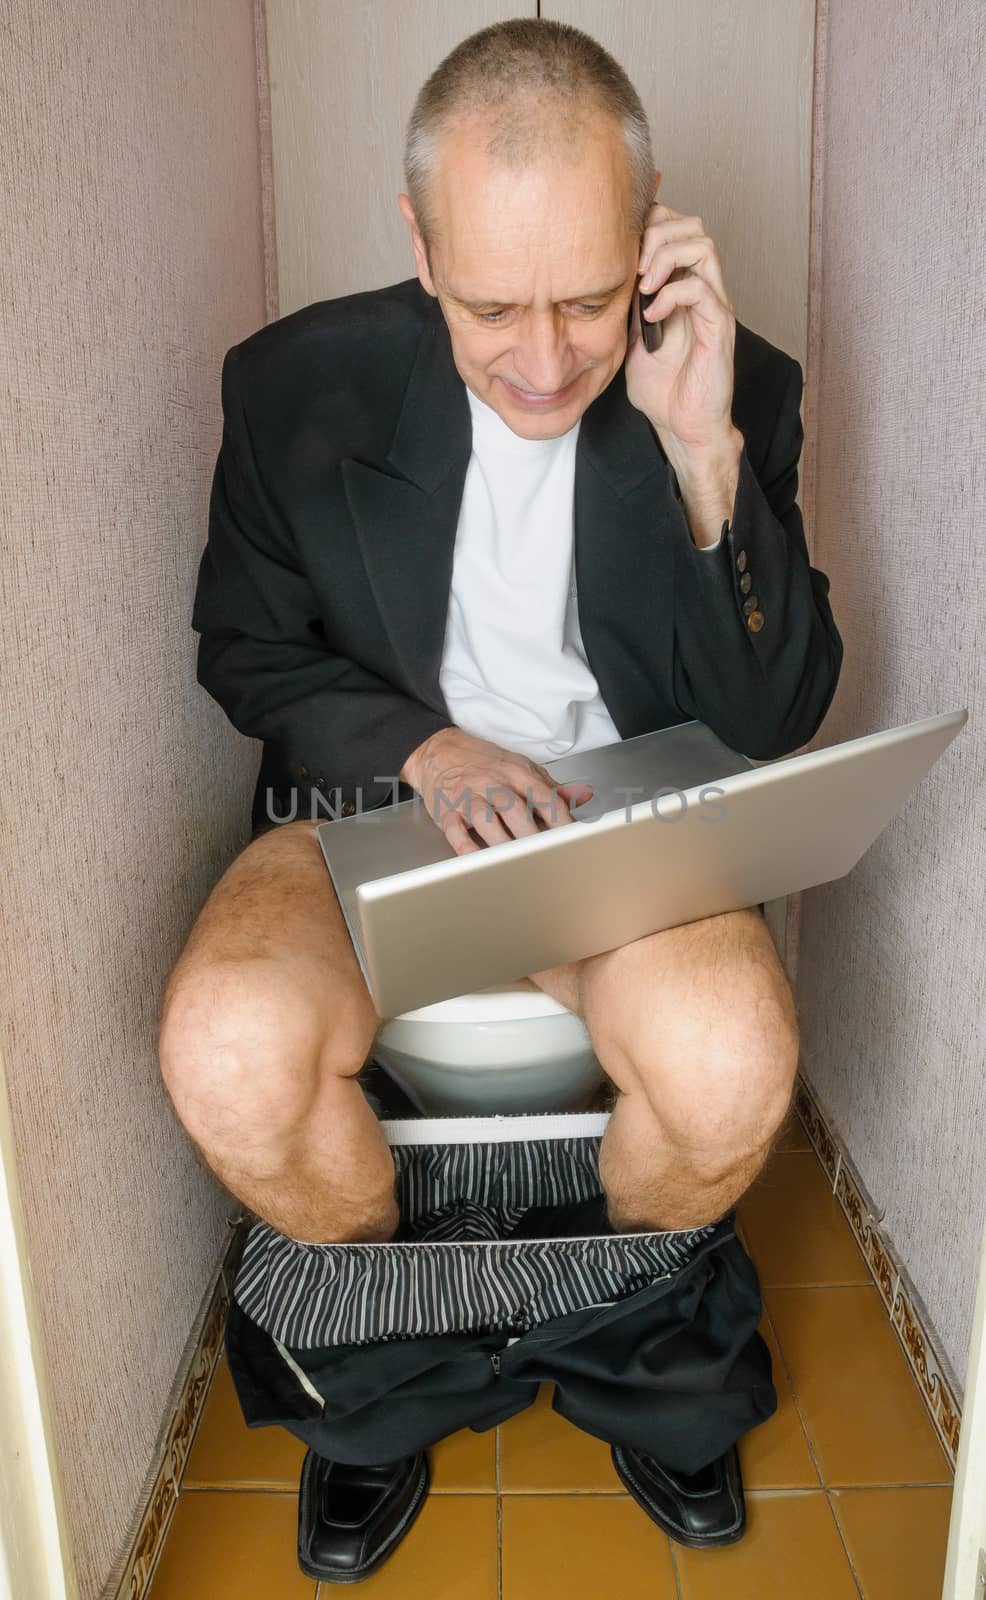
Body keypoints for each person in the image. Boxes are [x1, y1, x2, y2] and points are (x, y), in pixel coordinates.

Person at [157, 16, 842, 1581]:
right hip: (359, 803)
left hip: (622, 818)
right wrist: (424, 744)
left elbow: (772, 718)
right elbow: (243, 648)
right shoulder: (290, 385)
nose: (545, 361)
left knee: (733, 1060)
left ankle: (628, 1367)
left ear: (651, 231)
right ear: (418, 240)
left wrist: (700, 456)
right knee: (227, 1048)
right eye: (490, 308)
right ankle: (388, 1394)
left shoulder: (730, 391)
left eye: (589, 301)